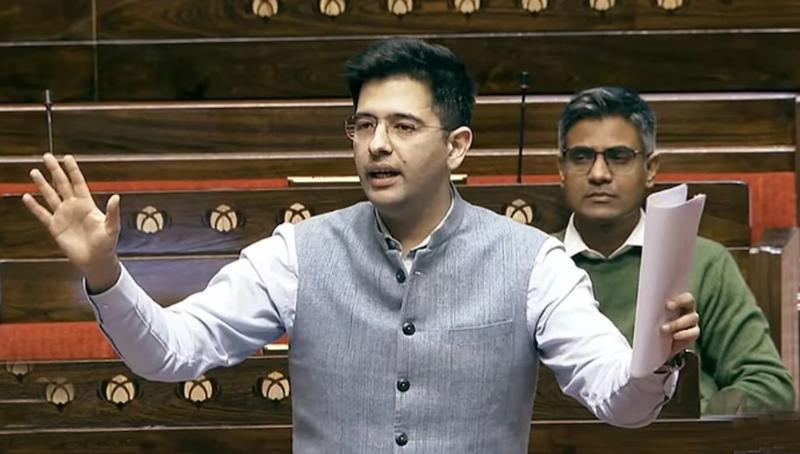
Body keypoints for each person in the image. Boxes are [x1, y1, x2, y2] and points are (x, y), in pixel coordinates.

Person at [22, 40, 699, 452]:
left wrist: (655, 359)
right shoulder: (296, 253)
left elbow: (622, 403)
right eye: (363, 124)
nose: (377, 145)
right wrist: (105, 271)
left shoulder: (533, 264)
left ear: (456, 146)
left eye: (403, 126)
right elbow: (171, 353)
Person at [554, 86, 794, 415]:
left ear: (651, 168)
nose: (599, 174)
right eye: (581, 157)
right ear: (561, 169)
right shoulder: (533, 263)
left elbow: (769, 386)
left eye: (619, 156)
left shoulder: (704, 261)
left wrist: (683, 422)